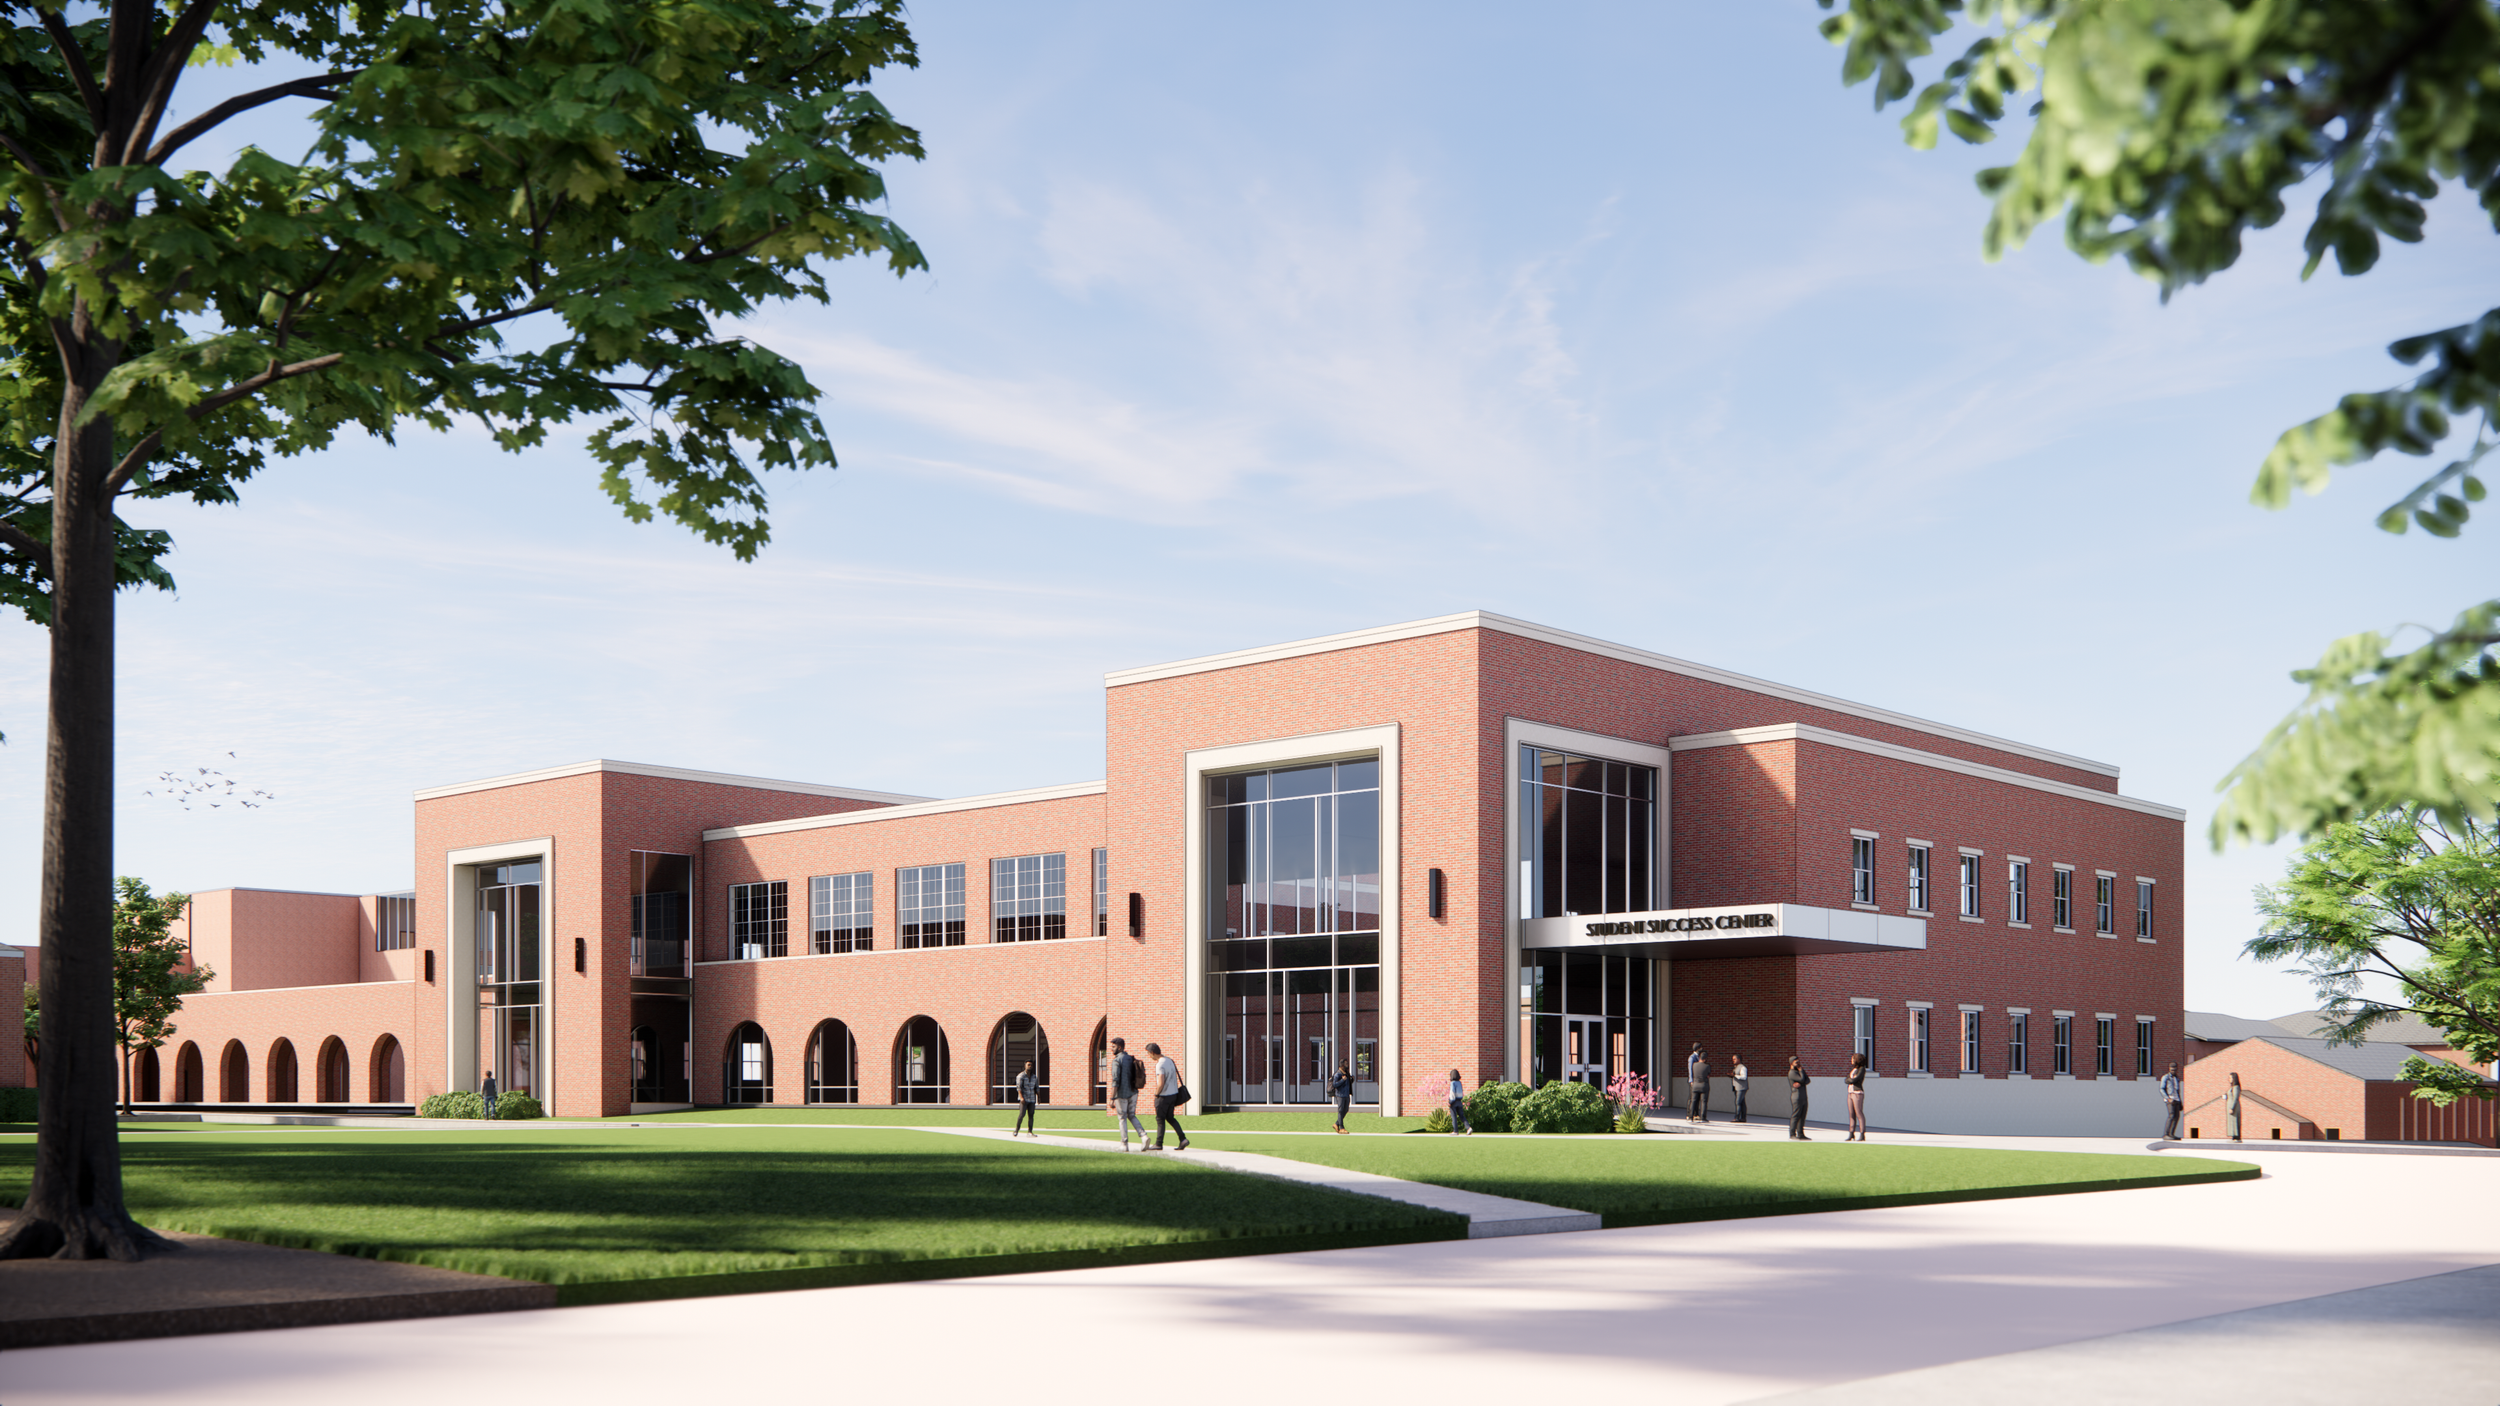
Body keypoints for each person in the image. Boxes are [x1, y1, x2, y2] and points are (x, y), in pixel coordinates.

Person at [1145, 1041, 1189, 1151]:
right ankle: (1183, 1139)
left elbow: (1161, 1082)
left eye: (1149, 1054)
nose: (1149, 1056)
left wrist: (1156, 1093)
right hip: (1173, 1095)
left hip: (1163, 1097)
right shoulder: (1170, 1060)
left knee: (1160, 1120)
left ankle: (1158, 1144)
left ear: (1152, 1052)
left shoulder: (1160, 1064)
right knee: (1170, 1118)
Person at [1107, 1037, 1148, 1151]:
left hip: (1121, 1094)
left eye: (1113, 1047)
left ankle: (1124, 1144)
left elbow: (1115, 1080)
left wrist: (1112, 1098)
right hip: (1133, 1092)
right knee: (1132, 1115)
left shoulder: (1116, 1061)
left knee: (1122, 1118)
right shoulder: (1130, 1059)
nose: (1111, 1049)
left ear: (1119, 1047)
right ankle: (1144, 1136)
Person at [1845, 1051, 1869, 1141]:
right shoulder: (1853, 1069)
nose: (1851, 1060)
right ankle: (1851, 1133)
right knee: (1851, 1114)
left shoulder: (1861, 1069)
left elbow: (1856, 1079)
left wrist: (1850, 1080)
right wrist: (1850, 1080)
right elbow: (1847, 1079)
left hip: (1857, 1093)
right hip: (1850, 1092)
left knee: (1858, 1113)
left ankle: (1862, 1134)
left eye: (1853, 1058)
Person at [1012, 1060, 1039, 1137]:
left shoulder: (1034, 1077)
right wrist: (1021, 1097)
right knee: (1022, 1114)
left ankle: (1030, 1131)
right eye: (1028, 1065)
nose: (1030, 1066)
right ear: (1025, 1066)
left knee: (1031, 1115)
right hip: (1024, 1099)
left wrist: (1039, 1097)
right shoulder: (1021, 1076)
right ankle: (1016, 1130)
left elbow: (1037, 1088)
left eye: (1031, 1065)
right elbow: (1019, 1087)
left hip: (1032, 1099)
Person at [1787, 1055, 1811, 1140]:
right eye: (1796, 1062)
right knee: (1796, 1115)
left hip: (1803, 1096)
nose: (1798, 1064)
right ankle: (1792, 1134)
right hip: (1797, 1097)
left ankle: (1800, 1133)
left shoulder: (1800, 1071)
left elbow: (1808, 1080)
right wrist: (1801, 1074)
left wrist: (1801, 1081)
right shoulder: (1792, 1072)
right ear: (1791, 1063)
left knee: (1803, 1115)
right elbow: (1802, 1079)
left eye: (1798, 1062)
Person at [2159, 1063, 2184, 1140]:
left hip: (2177, 1099)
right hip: (2170, 1099)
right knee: (2171, 1115)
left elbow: (2177, 1090)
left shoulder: (2177, 1078)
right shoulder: (2165, 1077)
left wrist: (2180, 1102)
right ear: (2169, 1069)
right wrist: (2167, 1098)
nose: (2173, 1071)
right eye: (2172, 1069)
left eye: (2175, 1069)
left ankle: (2171, 1134)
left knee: (2177, 1116)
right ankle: (2166, 1134)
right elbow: (2162, 1089)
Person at [1687, 1043, 1710, 1122]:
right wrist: (1691, 1080)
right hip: (1695, 1081)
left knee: (1696, 1099)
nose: (1702, 1048)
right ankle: (1689, 1114)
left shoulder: (1698, 1056)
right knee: (1692, 1099)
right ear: (1697, 1048)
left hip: (1697, 1081)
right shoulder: (1692, 1057)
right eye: (1700, 1047)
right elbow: (1690, 1069)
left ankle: (1695, 1114)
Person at [1446, 1068, 1473, 1135]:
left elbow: (1452, 1093)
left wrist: (1450, 1102)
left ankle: (1455, 1131)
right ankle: (1468, 1128)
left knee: (1454, 1116)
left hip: (1454, 1102)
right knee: (1461, 1116)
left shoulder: (1453, 1083)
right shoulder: (1459, 1083)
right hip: (1459, 1101)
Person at [1330, 1063, 1355, 1133]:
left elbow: (1348, 1083)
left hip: (1346, 1095)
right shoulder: (1337, 1074)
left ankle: (1336, 1124)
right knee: (1341, 1111)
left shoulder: (1347, 1073)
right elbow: (1335, 1084)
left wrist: (1352, 1080)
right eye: (1346, 1063)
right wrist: (1342, 1080)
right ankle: (1341, 1128)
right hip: (1340, 1095)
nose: (1347, 1065)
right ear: (1342, 1065)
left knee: (1346, 1110)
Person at [1729, 1054, 1749, 1124]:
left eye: (1734, 1059)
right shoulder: (1736, 1067)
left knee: (1738, 1102)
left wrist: (1735, 1076)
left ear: (1739, 1059)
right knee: (1742, 1102)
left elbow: (1744, 1077)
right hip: (1736, 1087)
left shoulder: (1743, 1067)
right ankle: (1743, 1118)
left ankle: (1737, 1117)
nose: (1733, 1060)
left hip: (1741, 1087)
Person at [2225, 1071, 2242, 1142]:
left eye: (2230, 1078)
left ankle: (2237, 1137)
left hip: (2234, 1107)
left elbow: (2235, 1098)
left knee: (2234, 1121)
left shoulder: (2236, 1087)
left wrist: (2232, 1108)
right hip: (2230, 1106)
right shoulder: (2231, 1087)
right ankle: (2233, 1136)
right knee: (2231, 1121)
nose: (2228, 1079)